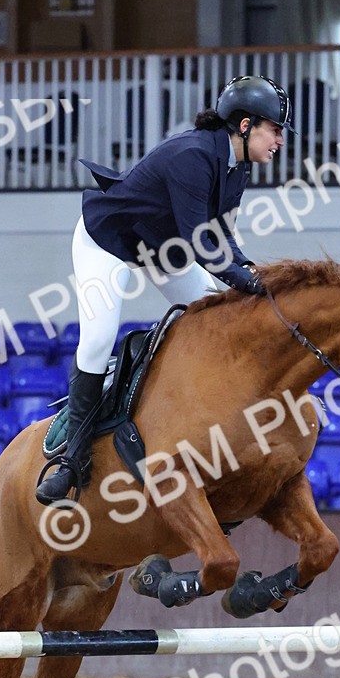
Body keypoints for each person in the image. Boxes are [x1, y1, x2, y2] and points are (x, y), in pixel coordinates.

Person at [36, 75, 292, 505]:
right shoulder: (192, 155)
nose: (280, 141)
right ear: (245, 125)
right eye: (275, 129)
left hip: (161, 247)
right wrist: (247, 281)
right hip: (110, 240)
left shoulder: (237, 165)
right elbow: (199, 242)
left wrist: (246, 267)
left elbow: (222, 233)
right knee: (99, 337)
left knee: (217, 319)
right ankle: (72, 460)